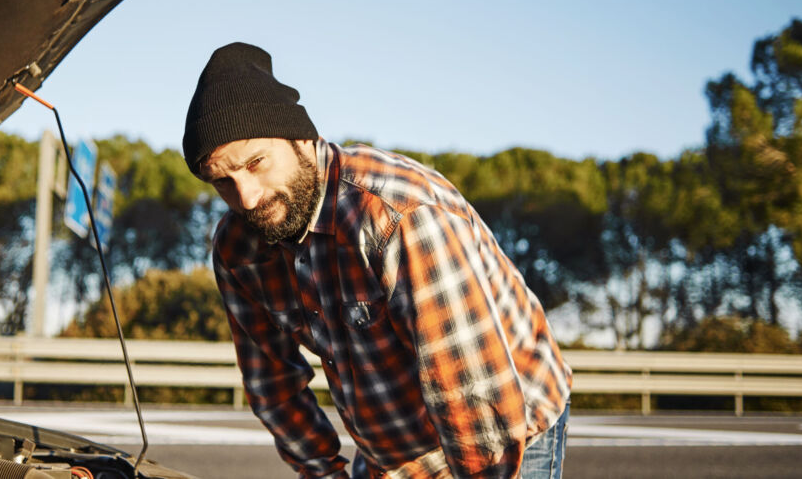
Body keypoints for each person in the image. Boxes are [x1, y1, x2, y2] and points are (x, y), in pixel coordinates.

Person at [182, 42, 572, 479]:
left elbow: (471, 394)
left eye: (256, 163)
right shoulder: (239, 248)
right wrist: (324, 473)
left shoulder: (400, 215)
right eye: (223, 182)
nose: (247, 197)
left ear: (302, 141)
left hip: (505, 427)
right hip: (392, 450)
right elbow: (273, 386)